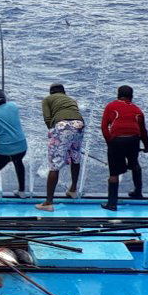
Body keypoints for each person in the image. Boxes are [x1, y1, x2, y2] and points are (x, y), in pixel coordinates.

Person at [34, 83, 85, 212]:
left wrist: (53, 135)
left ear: (51, 92)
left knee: (55, 164)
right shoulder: (71, 100)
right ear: (64, 92)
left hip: (62, 125)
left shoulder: (47, 99)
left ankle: (48, 203)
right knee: (75, 157)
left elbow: (48, 118)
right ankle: (73, 190)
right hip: (79, 124)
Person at [99, 85, 148, 211]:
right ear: (131, 97)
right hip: (134, 139)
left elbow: (104, 127)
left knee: (114, 172)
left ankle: (112, 204)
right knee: (134, 164)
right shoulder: (137, 110)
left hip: (117, 139)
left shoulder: (111, 106)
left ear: (117, 95)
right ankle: (138, 193)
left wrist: (109, 142)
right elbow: (143, 131)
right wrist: (147, 146)